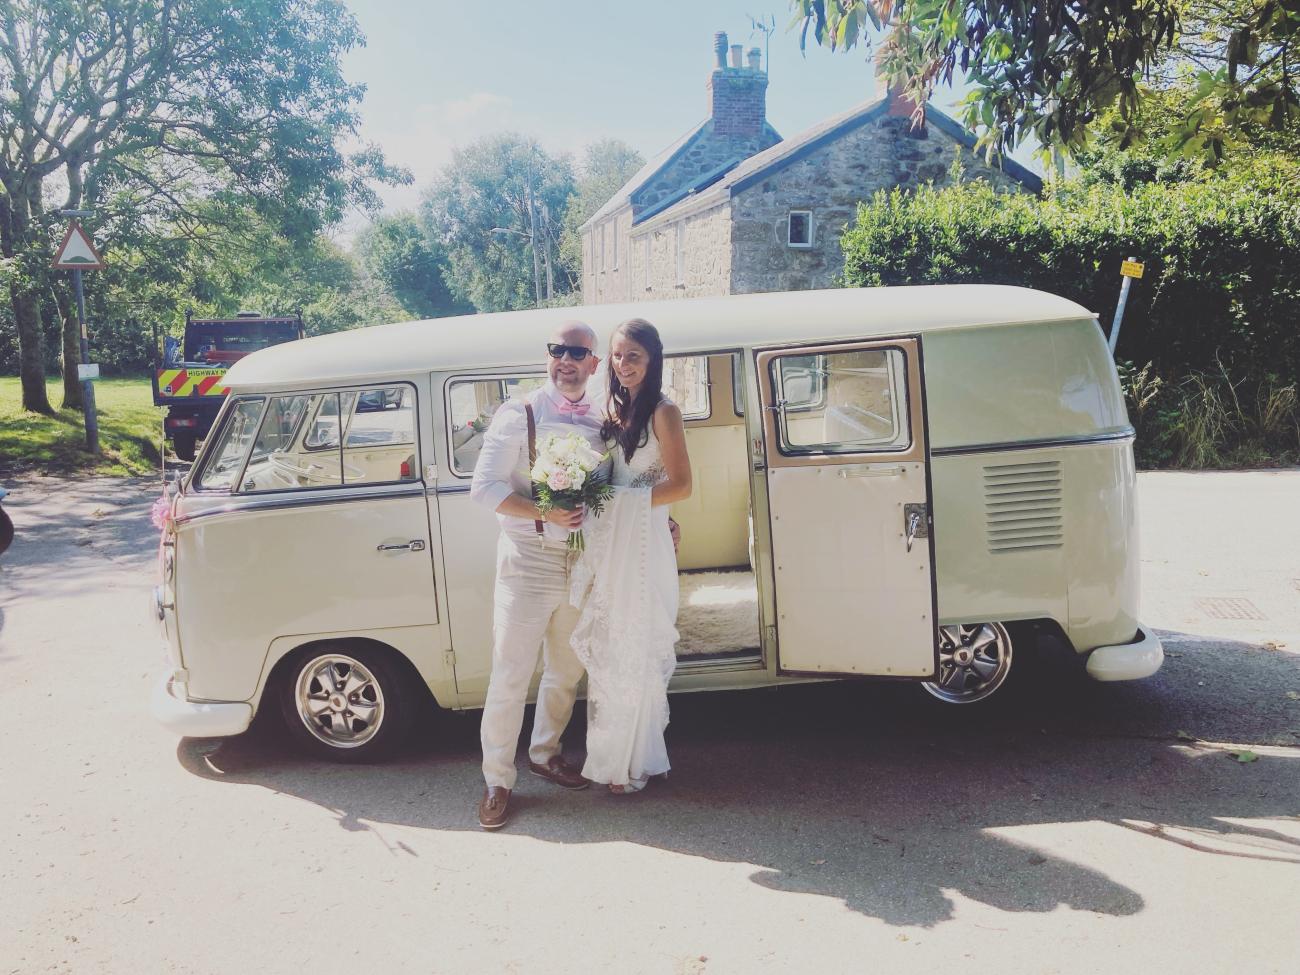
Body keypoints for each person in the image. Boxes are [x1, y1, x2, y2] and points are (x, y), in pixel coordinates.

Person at [469, 321, 605, 830]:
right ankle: (497, 780)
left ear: (593, 363)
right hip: (527, 564)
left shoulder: (601, 417)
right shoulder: (519, 413)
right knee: (509, 674)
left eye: (577, 352)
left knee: (568, 668)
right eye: (556, 350)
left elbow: (621, 481)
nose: (565, 360)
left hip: (579, 563)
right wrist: (543, 514)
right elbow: (482, 489)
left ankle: (545, 754)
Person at [568, 318, 692, 793]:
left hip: (642, 545)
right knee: (612, 643)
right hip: (614, 540)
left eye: (633, 356)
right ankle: (610, 757)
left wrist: (619, 503)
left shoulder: (664, 411)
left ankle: (634, 761)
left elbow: (681, 484)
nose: (623, 365)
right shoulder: (613, 406)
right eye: (617, 355)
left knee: (637, 645)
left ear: (652, 359)